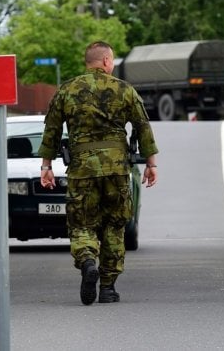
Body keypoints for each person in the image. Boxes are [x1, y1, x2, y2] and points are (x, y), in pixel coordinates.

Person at [38, 41, 159, 305]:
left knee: (82, 224)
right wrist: (151, 164)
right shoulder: (124, 90)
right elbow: (142, 126)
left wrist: (46, 166)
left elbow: (51, 131)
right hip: (116, 169)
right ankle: (107, 288)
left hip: (82, 169)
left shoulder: (67, 91)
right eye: (112, 60)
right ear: (105, 61)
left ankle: (88, 261)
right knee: (115, 226)